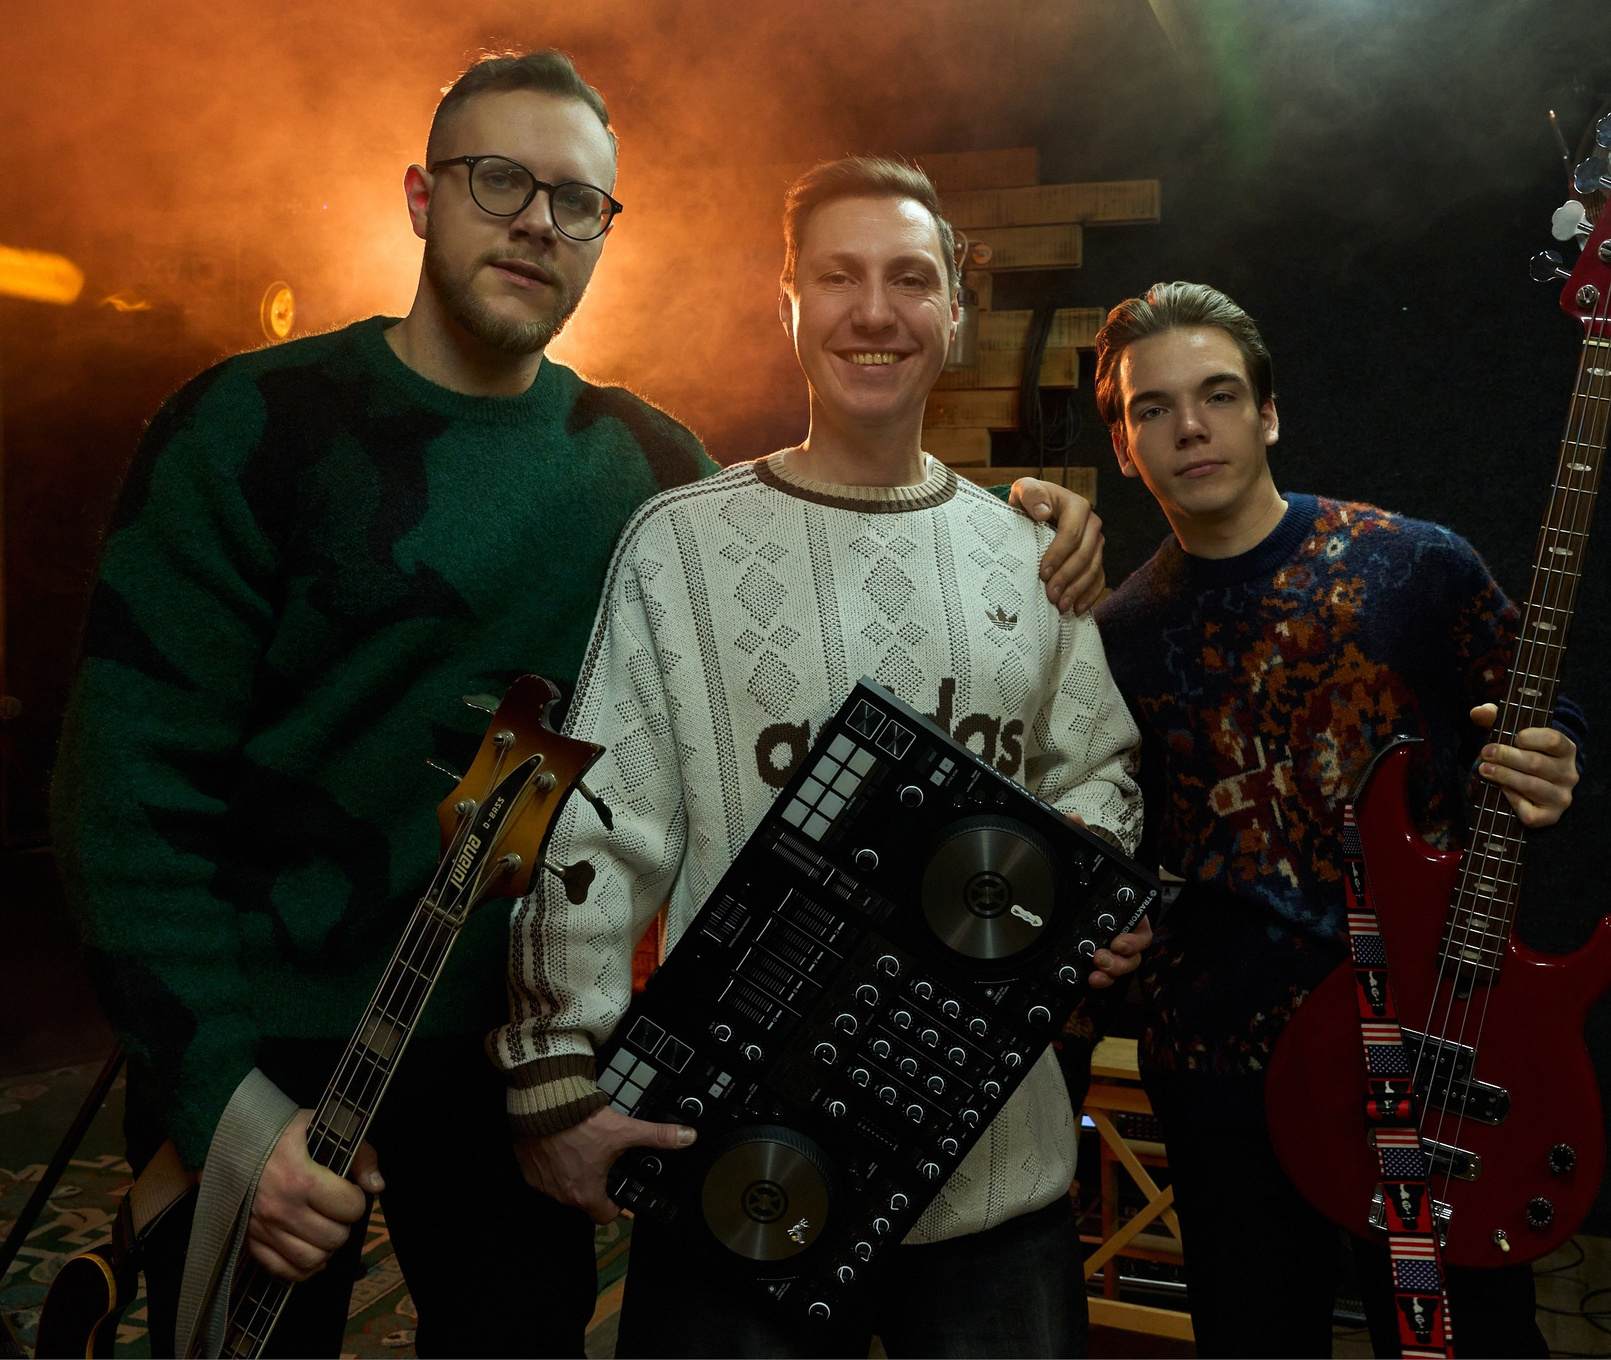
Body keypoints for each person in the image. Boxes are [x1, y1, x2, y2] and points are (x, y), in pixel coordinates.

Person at [51, 52, 1105, 1357]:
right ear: (422, 197)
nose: (537, 223)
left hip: (511, 1063)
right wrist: (219, 1098)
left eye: (577, 201)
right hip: (267, 1047)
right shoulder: (250, 425)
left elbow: (817, 576)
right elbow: (125, 798)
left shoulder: (647, 468)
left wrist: (1019, 532)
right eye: (499, 180)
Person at [493, 156, 1150, 1359]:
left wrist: (1085, 879)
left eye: (910, 278)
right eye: (839, 277)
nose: (875, 311)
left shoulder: (1029, 554)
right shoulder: (681, 547)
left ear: (956, 310)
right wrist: (553, 1068)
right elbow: (601, 823)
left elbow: (1095, 767)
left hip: (996, 1186)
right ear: (788, 303)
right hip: (738, 1174)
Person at [1090, 282, 1586, 1358]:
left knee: (1467, 1345)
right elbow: (1118, 829)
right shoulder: (1116, 635)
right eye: (1153, 409)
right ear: (1126, 448)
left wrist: (1552, 760)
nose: (1190, 427)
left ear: (1269, 413)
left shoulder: (1416, 565)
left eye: (1220, 394)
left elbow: (1540, 708)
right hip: (1223, 1069)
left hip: (1425, 1043)